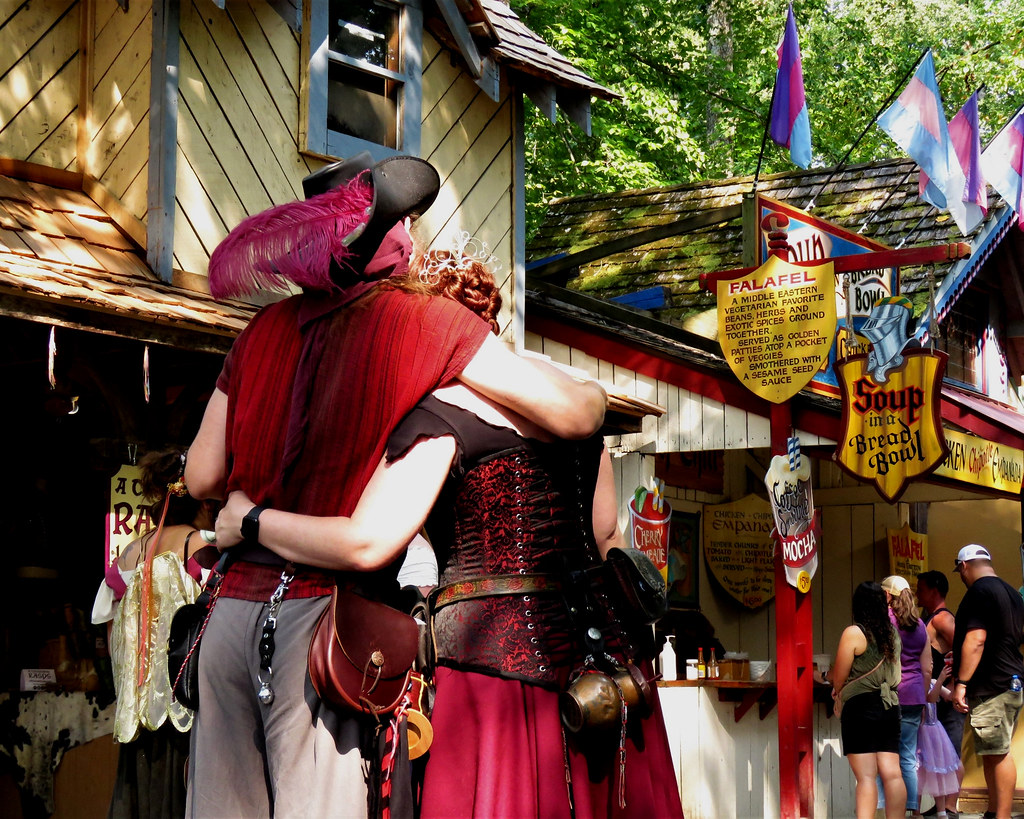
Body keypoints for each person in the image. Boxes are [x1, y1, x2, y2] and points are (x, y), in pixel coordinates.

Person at [184, 157, 607, 818]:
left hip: (229, 619)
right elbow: (575, 416)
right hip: (324, 632)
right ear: (392, 233)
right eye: (405, 220)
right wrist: (587, 385)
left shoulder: (259, 331)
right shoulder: (427, 321)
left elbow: (201, 475)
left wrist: (249, 510)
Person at [215, 243, 684, 818]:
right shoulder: (567, 394)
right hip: (611, 663)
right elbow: (605, 531)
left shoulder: (437, 419)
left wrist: (254, 521)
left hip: (496, 680)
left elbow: (366, 543)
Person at [90, 448, 217, 819]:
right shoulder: (201, 545)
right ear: (201, 501)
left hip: (138, 701)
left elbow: (108, 619)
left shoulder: (132, 551)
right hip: (185, 701)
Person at [951, 544, 1024, 819]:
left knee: (997, 752)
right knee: (995, 750)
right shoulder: (1011, 594)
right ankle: (995, 812)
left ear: (965, 566)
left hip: (992, 684)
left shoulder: (979, 593)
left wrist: (962, 682)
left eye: (960, 570)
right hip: (1010, 680)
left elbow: (976, 639)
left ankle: (1001, 815)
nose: (961, 575)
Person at [831, 581, 906, 819]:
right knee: (893, 774)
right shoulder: (893, 633)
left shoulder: (854, 633)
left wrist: (836, 692)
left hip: (861, 708)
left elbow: (839, 675)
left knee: (865, 778)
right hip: (889, 705)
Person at [880, 574, 931, 818]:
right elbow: (927, 667)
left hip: (890, 695)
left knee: (887, 755)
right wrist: (923, 699)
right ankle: (914, 810)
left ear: (888, 595)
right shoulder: (920, 626)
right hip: (914, 696)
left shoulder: (885, 621)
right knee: (909, 756)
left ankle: (889, 809)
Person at [916, 569, 965, 817]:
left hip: (948, 696)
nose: (917, 594)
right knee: (938, 754)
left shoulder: (941, 619)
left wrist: (958, 685)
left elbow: (965, 647)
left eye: (921, 589)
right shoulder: (931, 619)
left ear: (934, 591)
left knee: (952, 753)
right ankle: (941, 805)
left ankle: (950, 807)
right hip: (938, 695)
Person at [917, 663, 964, 819]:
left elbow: (946, 696)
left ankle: (941, 811)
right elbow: (929, 697)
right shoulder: (917, 683)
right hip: (920, 732)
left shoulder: (933, 682)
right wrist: (940, 680)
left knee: (939, 770)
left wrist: (953, 681)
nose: (930, 664)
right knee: (917, 771)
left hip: (934, 733)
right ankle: (915, 811)